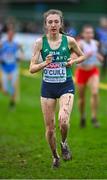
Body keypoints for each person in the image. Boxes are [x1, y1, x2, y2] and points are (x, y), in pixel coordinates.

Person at [29, 9, 85, 168]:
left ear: (61, 23)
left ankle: (64, 143)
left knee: (63, 121)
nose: (53, 24)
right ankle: (55, 157)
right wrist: (44, 64)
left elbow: (82, 56)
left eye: (56, 21)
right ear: (45, 25)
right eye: (50, 22)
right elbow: (31, 68)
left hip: (65, 85)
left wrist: (72, 62)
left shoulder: (70, 41)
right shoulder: (40, 43)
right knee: (50, 129)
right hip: (47, 89)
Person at [75, 25, 103, 128]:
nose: (89, 35)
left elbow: (100, 57)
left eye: (91, 33)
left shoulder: (96, 43)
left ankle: (94, 117)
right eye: (87, 33)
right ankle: (82, 116)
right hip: (81, 72)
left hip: (93, 71)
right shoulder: (80, 44)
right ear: (83, 34)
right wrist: (86, 56)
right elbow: (75, 59)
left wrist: (100, 57)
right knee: (82, 99)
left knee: (95, 92)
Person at [0, 28, 23, 108]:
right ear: (7, 35)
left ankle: (12, 103)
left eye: (12, 35)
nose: (10, 36)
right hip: (4, 68)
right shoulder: (3, 44)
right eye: (9, 34)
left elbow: (21, 52)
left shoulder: (16, 44)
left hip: (13, 68)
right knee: (5, 90)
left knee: (13, 86)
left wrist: (20, 57)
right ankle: (4, 89)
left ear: (13, 36)